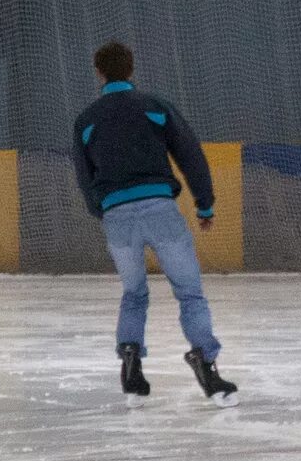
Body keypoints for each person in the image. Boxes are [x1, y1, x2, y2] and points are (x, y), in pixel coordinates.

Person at [73, 41, 235, 403]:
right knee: (189, 292)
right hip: (160, 210)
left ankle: (130, 357)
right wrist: (204, 205)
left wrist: (104, 210)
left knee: (134, 293)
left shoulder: (86, 121)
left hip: (117, 215)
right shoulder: (155, 108)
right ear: (131, 69)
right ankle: (206, 365)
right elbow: (191, 155)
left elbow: (84, 176)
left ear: (98, 73)